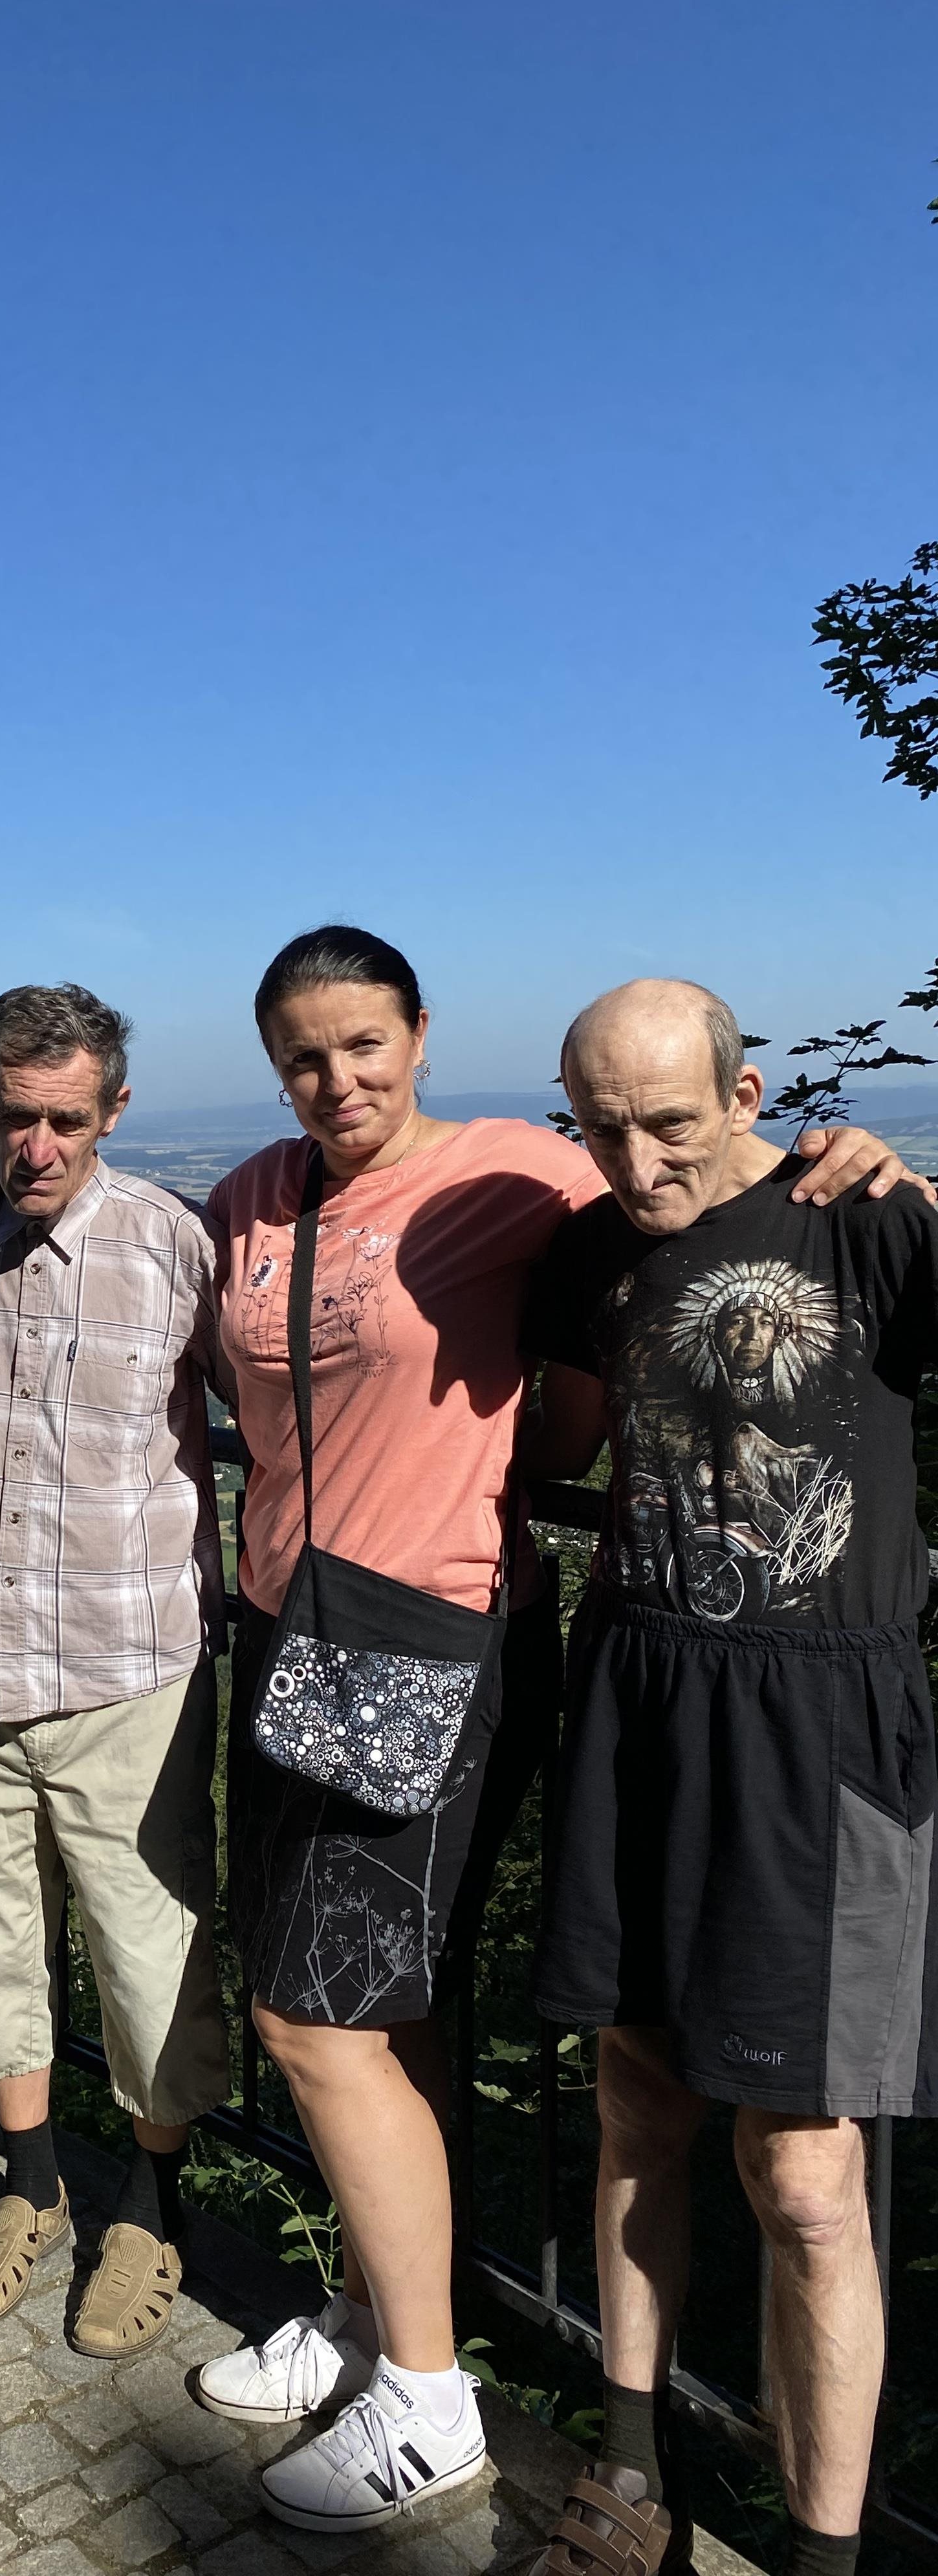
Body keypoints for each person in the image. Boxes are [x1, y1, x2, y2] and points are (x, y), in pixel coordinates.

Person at [195, 930, 920, 2538]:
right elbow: (555, 1410)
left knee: (797, 2178)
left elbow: (608, 1387)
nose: (639, 1161)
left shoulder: (762, 1207)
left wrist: (880, 1166)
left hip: (636, 1684)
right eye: (304, 1054)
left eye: (365, 1043)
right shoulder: (361, 1207)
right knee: (519, 2063)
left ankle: (464, 2409)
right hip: (515, 1674)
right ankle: (480, 2382)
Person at [521, 979, 938, 2576]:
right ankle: (631, 2476)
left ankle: (822, 2554)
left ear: (748, 1094)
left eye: (672, 1125)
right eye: (603, 1129)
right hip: (641, 1700)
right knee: (639, 2101)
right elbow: (562, 1446)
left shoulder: (866, 1222)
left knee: (810, 2179)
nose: (639, 1165)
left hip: (823, 1734)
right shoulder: (590, 1254)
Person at [0, 983, 230, 2356]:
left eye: (68, 1121)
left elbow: (255, 1418)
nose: (38, 1146)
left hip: (127, 1670)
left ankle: (147, 2211)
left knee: (147, 1956)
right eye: (17, 1116)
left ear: (113, 1112)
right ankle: (29, 2187)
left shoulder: (170, 1243)